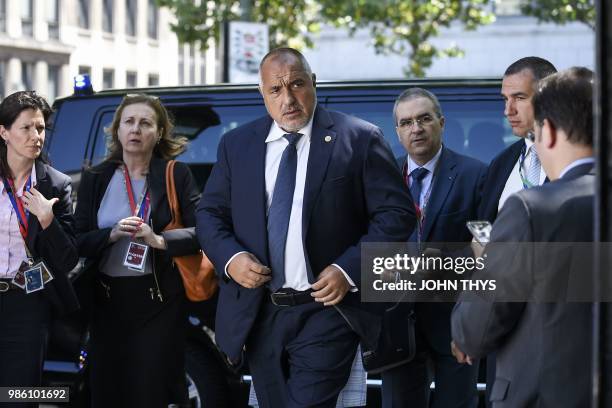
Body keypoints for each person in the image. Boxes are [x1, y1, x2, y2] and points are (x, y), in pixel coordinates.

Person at [196, 47, 415, 407]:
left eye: (297, 84)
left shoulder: (358, 138)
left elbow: (396, 215)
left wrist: (348, 268)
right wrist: (231, 258)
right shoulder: (237, 144)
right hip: (260, 312)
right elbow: (209, 215)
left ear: (313, 83)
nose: (288, 99)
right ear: (262, 95)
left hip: (326, 311)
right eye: (276, 90)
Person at [451, 67, 595, 407]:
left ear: (550, 131)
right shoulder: (503, 165)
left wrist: (467, 331)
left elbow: (478, 323)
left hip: (543, 389)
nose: (508, 110)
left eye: (519, 98)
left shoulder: (532, 209)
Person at [74, 94, 201, 407]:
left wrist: (159, 240)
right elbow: (76, 239)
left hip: (158, 301)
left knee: (149, 391)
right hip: (106, 302)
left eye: (145, 123)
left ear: (157, 133)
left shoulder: (175, 173)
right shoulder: (95, 178)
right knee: (106, 390)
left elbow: (205, 231)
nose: (136, 129)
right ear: (117, 130)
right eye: (129, 122)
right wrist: (110, 234)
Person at [380, 88, 486, 408]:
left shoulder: (475, 174)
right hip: (397, 322)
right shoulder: (383, 176)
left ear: (441, 122)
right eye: (407, 122)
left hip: (453, 320)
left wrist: (443, 262)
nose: (417, 128)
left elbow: (486, 246)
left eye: (425, 119)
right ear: (397, 132)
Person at [0, 91, 79, 407]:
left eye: (41, 128)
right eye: (26, 128)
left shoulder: (56, 185)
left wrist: (48, 219)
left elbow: (69, 258)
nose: (36, 137)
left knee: (20, 396)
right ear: (4, 132)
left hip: (27, 301)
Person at [479, 56, 557, 222]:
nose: (508, 110)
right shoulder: (500, 163)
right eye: (505, 99)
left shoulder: (575, 157)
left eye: (519, 98)